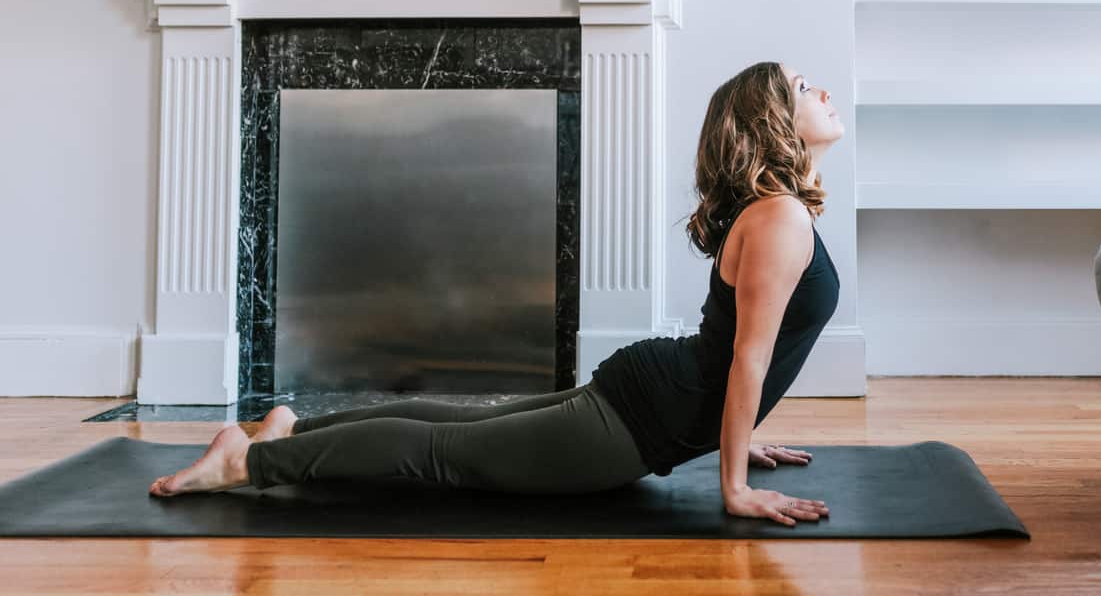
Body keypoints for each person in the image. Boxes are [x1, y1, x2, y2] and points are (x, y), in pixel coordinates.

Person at [148, 61, 843, 528]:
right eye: (804, 86)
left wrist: (737, 436)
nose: (822, 93)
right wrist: (735, 487)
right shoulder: (780, 216)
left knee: (458, 429)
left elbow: (741, 353)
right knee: (447, 453)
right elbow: (747, 360)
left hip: (653, 396)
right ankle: (250, 458)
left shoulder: (777, 210)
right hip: (642, 419)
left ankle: (288, 431)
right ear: (773, 120)